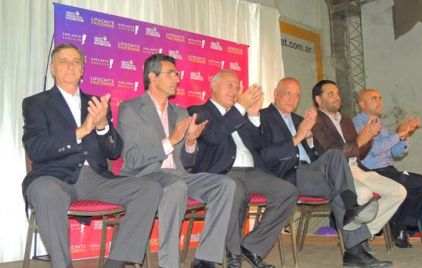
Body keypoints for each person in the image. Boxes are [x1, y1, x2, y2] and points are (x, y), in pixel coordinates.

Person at [22, 43, 161, 268]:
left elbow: (114, 152)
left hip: (96, 178)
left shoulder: (97, 103)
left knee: (150, 188)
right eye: (63, 61)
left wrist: (103, 126)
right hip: (55, 178)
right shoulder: (36, 104)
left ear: (83, 70)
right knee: (44, 191)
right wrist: (80, 131)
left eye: (76, 61)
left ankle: (114, 264)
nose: (70, 66)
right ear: (52, 69)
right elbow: (35, 148)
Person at [117, 53, 236, 268]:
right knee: (176, 186)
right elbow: (132, 159)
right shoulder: (130, 108)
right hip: (146, 176)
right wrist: (170, 141)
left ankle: (206, 259)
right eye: (171, 74)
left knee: (225, 185)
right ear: (152, 77)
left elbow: (187, 162)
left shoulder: (180, 112)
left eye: (177, 74)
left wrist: (191, 141)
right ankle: (169, 264)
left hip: (178, 175)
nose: (177, 79)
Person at [259, 77, 387, 266]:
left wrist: (309, 140)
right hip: (286, 173)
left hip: (310, 168)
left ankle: (353, 234)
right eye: (288, 93)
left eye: (297, 95)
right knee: (340, 192)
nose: (292, 99)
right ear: (275, 93)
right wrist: (298, 136)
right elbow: (265, 155)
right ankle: (355, 250)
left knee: (335, 156)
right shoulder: (261, 117)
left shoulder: (298, 119)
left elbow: (312, 153)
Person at [188, 70, 297, 268]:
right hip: (224, 172)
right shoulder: (198, 111)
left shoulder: (240, 114)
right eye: (230, 85)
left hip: (253, 172)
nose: (235, 89)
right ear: (213, 86)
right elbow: (212, 136)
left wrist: (254, 115)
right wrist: (240, 108)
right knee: (233, 191)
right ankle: (234, 253)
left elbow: (258, 145)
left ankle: (252, 246)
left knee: (288, 191)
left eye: (238, 86)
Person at [312, 79, 407, 267]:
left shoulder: (346, 120)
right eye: (330, 94)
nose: (337, 97)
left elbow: (359, 152)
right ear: (318, 99)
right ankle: (356, 246)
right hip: (337, 172)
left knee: (399, 191)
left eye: (338, 93)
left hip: (357, 168)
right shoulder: (315, 121)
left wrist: (368, 138)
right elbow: (331, 152)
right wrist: (360, 140)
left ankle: (361, 234)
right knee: (363, 193)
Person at [354, 88, 422, 248]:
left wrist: (404, 135)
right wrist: (398, 134)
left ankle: (398, 224)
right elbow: (374, 149)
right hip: (372, 173)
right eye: (374, 98)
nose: (379, 101)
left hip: (389, 170)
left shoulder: (380, 125)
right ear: (362, 104)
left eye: (380, 98)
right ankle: (399, 227)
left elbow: (395, 152)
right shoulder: (358, 123)